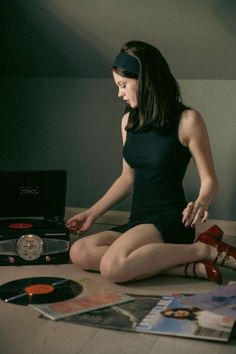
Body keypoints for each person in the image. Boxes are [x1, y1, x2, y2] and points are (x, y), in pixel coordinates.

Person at [67, 40, 236, 283]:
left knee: (113, 267)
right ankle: (190, 268)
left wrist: (201, 201)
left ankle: (205, 249)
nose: (119, 93)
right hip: (139, 220)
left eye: (123, 85)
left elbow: (210, 180)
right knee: (80, 252)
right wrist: (92, 213)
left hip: (169, 220)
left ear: (144, 79)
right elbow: (127, 178)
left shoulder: (187, 119)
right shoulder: (128, 122)